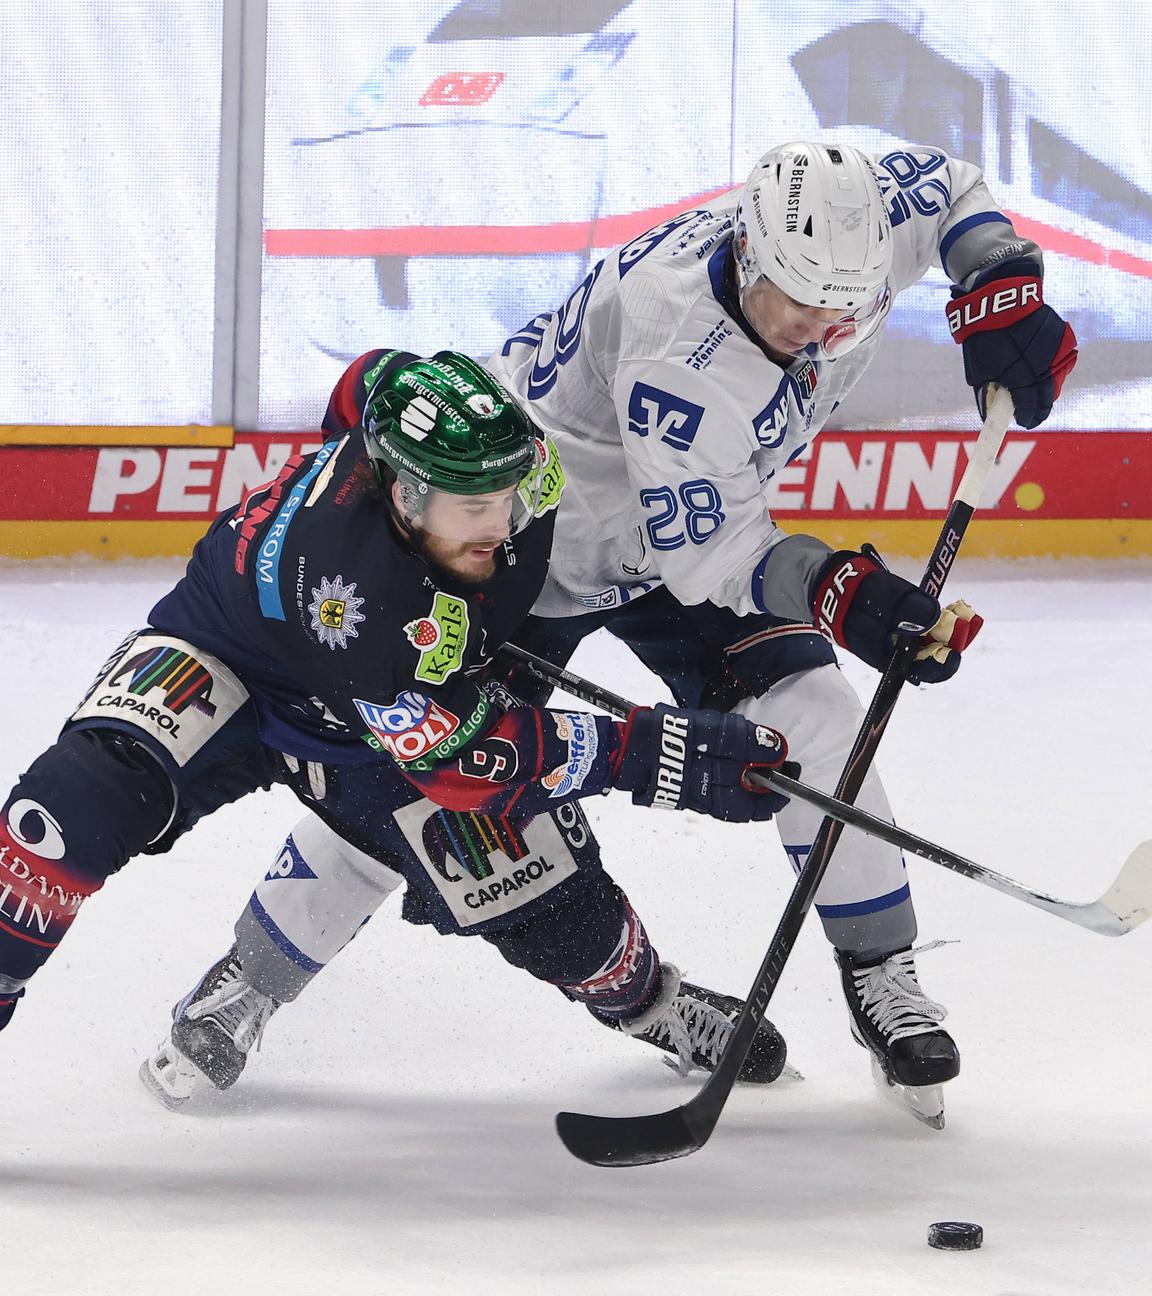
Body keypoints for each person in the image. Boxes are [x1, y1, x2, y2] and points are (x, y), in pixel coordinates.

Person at [152, 139, 1076, 1128]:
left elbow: (949, 192)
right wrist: (849, 594)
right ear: (752, 256)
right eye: (799, 310)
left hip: (681, 524)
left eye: (843, 316)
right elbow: (716, 557)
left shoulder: (835, 243)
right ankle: (249, 980)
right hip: (522, 546)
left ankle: (881, 977)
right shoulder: (679, 349)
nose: (819, 335)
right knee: (425, 793)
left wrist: (1001, 280)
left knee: (817, 721)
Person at [0, 351, 804, 1104]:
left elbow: (361, 382)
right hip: (234, 661)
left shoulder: (523, 466)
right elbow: (469, 764)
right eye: (475, 508)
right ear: (404, 496)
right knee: (63, 815)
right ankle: (246, 973)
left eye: (509, 496)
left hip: (397, 702)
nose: (501, 524)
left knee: (563, 916)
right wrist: (665, 756)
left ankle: (646, 1003)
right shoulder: (363, 604)